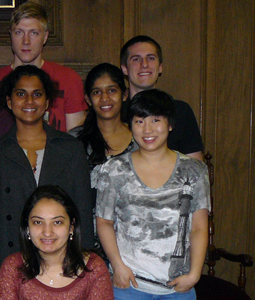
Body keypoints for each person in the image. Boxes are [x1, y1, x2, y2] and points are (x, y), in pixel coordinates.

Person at [95, 89, 210, 299]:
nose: (147, 129)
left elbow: (199, 227)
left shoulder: (194, 170)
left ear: (170, 124)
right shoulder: (113, 169)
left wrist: (194, 275)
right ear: (130, 126)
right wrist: (117, 265)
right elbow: (104, 222)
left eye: (156, 120)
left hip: (179, 287)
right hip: (129, 285)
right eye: (139, 121)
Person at [0, 65, 93, 270]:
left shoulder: (71, 148)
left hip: (62, 262)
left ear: (47, 102)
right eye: (21, 94)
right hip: (9, 262)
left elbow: (83, 211)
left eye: (37, 94)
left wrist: (82, 264)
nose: (29, 101)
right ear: (9, 101)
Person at [0, 185, 113, 299]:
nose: (47, 232)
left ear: (71, 227)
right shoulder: (13, 268)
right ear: (27, 227)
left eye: (57, 222)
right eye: (38, 222)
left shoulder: (93, 269)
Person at [0, 2, 86, 132]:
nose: (26, 41)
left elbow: (75, 138)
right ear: (11, 35)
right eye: (19, 32)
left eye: (34, 33)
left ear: (45, 37)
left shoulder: (68, 78)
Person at [120, 35, 204, 160]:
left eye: (151, 58)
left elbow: (195, 166)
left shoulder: (180, 111)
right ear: (125, 68)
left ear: (160, 67)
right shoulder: (116, 113)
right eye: (136, 59)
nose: (144, 65)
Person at [71, 63, 135, 170]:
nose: (104, 98)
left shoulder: (139, 136)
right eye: (97, 92)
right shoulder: (75, 139)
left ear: (124, 95)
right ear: (88, 99)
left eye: (112, 90)